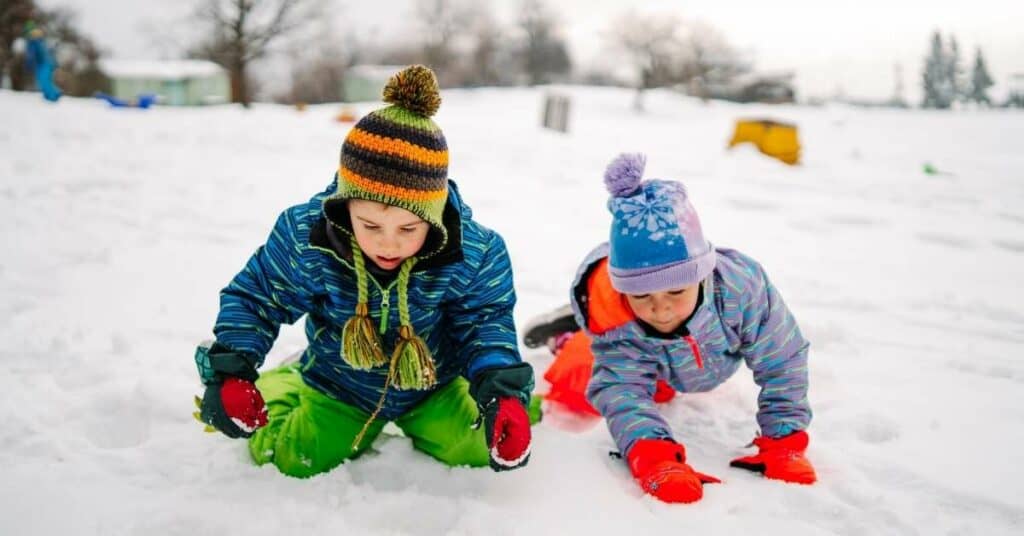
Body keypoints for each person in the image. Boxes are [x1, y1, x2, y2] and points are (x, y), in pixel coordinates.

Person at [193, 65, 538, 478]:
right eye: (370, 226)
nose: (388, 244)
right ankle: (286, 378)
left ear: (434, 218)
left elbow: (484, 323)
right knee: (294, 458)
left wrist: (503, 394)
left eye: (408, 229)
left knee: (476, 448)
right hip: (340, 385)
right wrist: (231, 372)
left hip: (434, 385)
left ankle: (523, 403)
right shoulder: (309, 239)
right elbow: (258, 298)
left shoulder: (474, 253)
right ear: (345, 208)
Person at [528, 152, 814, 503]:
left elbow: (782, 358)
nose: (660, 308)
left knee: (655, 383)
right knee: (582, 385)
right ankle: (569, 336)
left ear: (702, 273)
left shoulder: (742, 291)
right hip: (649, 355)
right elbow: (624, 393)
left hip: (696, 354)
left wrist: (785, 437)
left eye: (676, 291)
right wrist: (652, 454)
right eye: (642, 294)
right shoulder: (620, 323)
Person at [23, 21, 61, 102]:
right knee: (46, 80)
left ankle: (52, 95)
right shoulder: (41, 40)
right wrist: (55, 63)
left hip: (42, 63)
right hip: (47, 63)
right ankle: (52, 94)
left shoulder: (32, 41)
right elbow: (49, 51)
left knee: (43, 80)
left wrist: (28, 63)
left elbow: (31, 54)